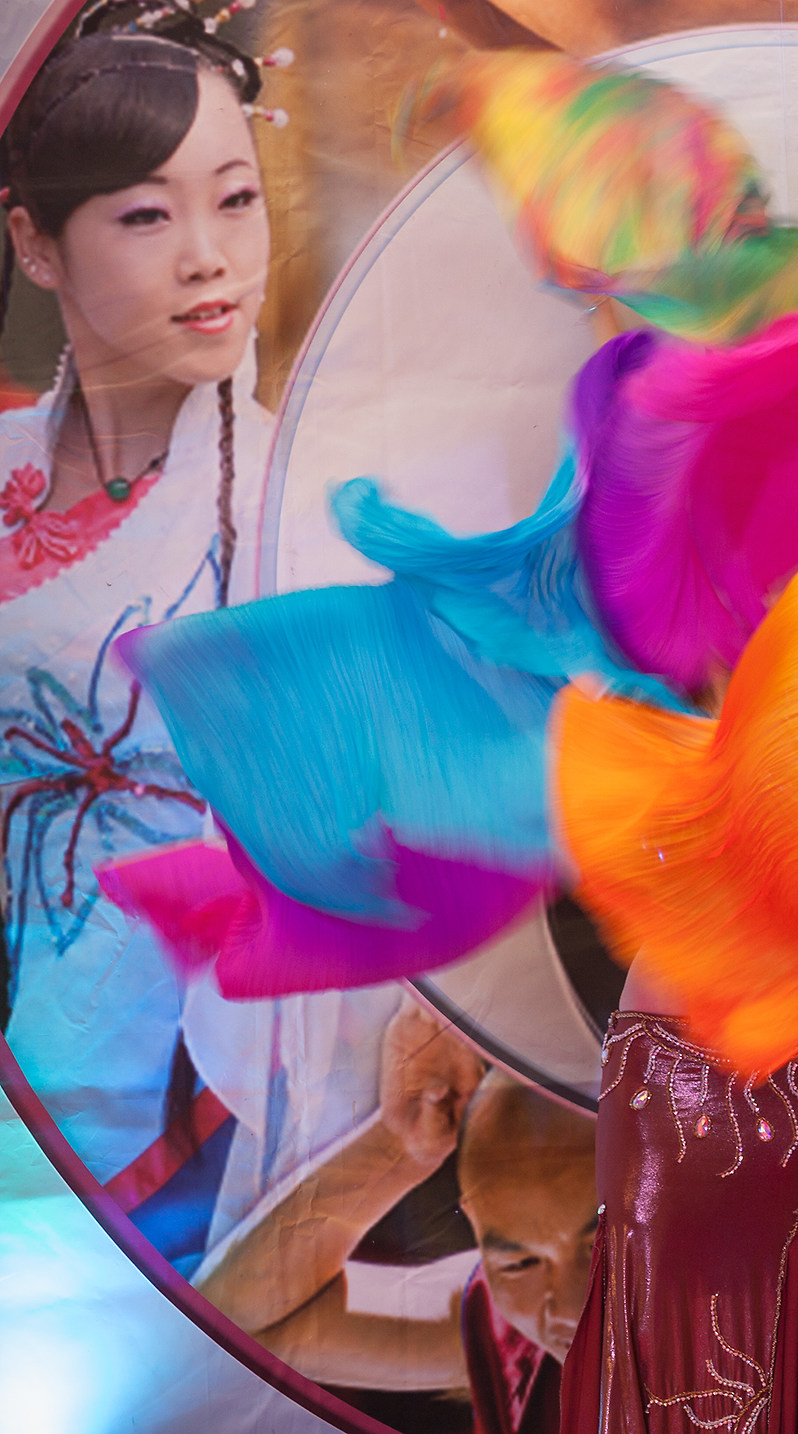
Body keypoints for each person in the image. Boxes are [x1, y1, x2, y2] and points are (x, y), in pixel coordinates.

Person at [0, 0, 398, 1271]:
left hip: (156, 1113)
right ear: (35, 245)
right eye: (145, 215)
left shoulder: (303, 519)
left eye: (235, 199)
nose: (209, 258)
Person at [196, 1000, 598, 1434]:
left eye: (603, 1248)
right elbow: (226, 1328)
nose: (571, 1311)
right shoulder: (515, 1346)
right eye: (519, 1264)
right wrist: (395, 1151)